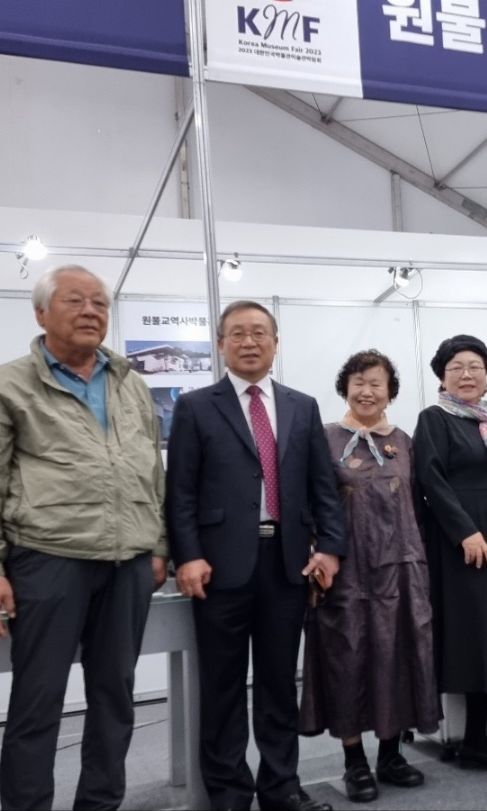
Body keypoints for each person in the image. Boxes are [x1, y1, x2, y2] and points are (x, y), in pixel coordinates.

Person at [0, 264, 168, 811]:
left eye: (99, 303)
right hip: (48, 559)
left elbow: (152, 471)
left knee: (115, 698)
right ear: (41, 313)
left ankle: (100, 804)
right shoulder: (5, 384)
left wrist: (159, 545)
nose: (90, 312)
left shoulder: (130, 382)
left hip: (129, 562)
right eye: (75, 301)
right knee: (38, 701)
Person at [165, 300, 345, 811]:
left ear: (276, 342)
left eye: (260, 333)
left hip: (286, 564)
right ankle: (228, 794)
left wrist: (331, 548)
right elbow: (180, 491)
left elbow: (323, 486)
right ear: (220, 344)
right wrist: (187, 555)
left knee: (278, 684)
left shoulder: (302, 406)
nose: (250, 342)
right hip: (219, 565)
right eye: (238, 333)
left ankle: (281, 787)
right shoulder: (195, 406)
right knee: (221, 687)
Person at [299, 350, 438, 803]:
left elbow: (419, 506)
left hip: (401, 569)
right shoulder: (324, 438)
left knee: (398, 655)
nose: (367, 391)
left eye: (376, 383)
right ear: (345, 388)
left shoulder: (405, 441)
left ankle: (391, 755)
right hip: (347, 571)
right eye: (358, 382)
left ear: (390, 392)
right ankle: (354, 761)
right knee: (348, 660)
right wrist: (315, 555)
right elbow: (310, 503)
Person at [413, 335, 487, 772]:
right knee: (475, 631)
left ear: (486, 374)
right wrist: (465, 531)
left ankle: (479, 736)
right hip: (461, 536)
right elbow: (431, 481)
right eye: (457, 368)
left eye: (475, 366)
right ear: (442, 377)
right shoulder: (434, 418)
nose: (467, 375)